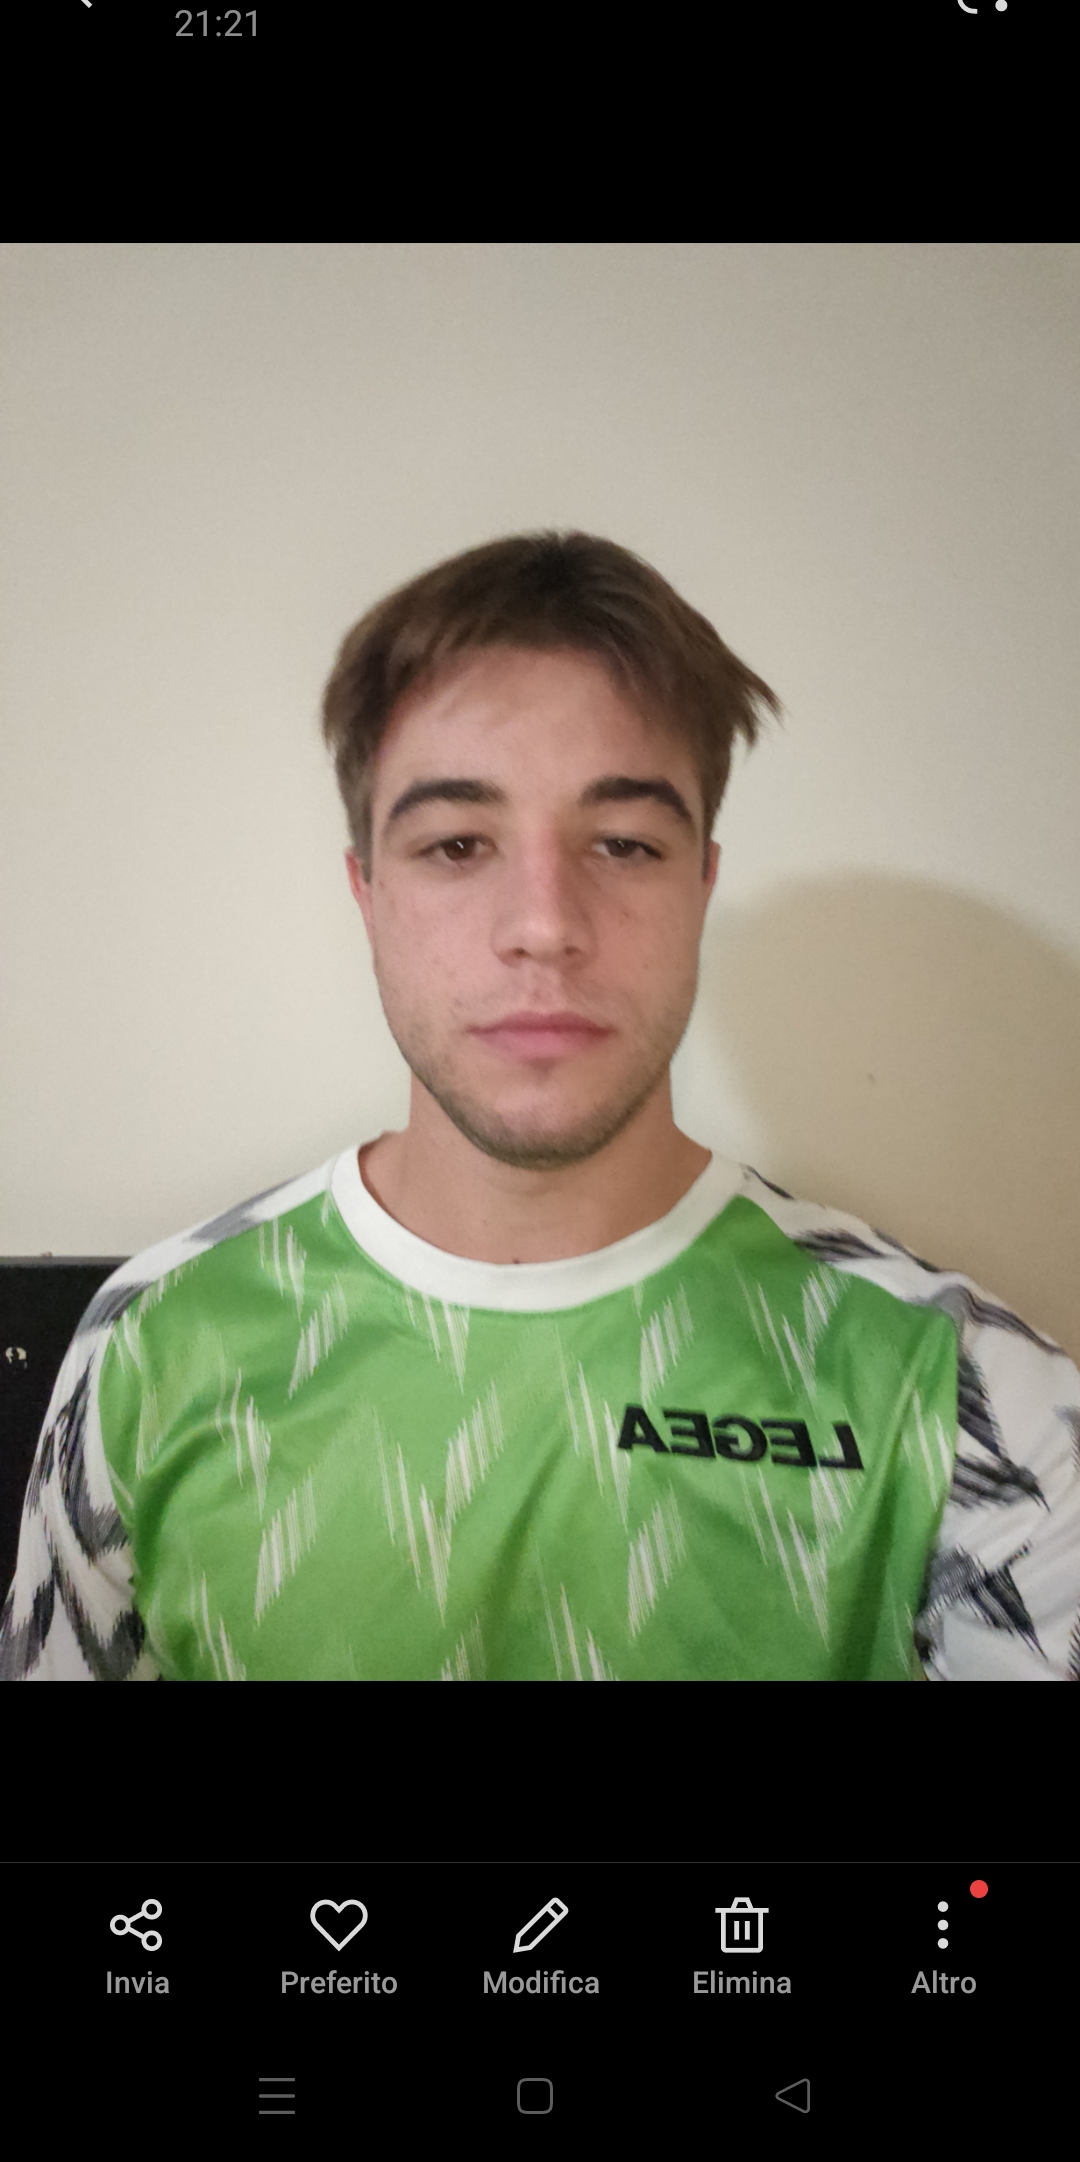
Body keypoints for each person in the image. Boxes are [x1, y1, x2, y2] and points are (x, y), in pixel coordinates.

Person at [3, 529, 1078, 1682]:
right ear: (367, 891)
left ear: (701, 884)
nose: (545, 925)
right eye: (457, 844)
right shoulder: (153, 1342)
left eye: (623, 844)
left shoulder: (965, 1392)